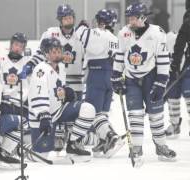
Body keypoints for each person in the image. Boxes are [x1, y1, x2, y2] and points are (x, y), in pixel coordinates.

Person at [111, 2, 176, 164]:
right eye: (129, 18)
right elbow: (120, 55)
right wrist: (116, 76)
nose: (130, 21)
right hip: (131, 78)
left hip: (151, 77)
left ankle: (161, 146)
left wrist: (161, 82)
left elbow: (163, 59)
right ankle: (137, 146)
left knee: (156, 115)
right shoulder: (124, 33)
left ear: (143, 17)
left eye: (134, 18)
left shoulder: (157, 33)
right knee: (135, 115)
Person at [28, 37, 92, 163]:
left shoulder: (61, 67)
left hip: (58, 111)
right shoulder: (40, 70)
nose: (57, 54)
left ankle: (73, 145)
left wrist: (66, 90)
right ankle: (24, 149)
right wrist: (43, 115)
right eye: (54, 51)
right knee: (41, 156)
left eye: (59, 51)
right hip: (42, 117)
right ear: (46, 53)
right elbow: (37, 94)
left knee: (87, 109)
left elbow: (57, 87)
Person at [39, 4, 87, 153]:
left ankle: (74, 140)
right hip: (57, 79)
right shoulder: (51, 33)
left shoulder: (81, 34)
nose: (68, 20)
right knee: (57, 107)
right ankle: (58, 136)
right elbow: (41, 51)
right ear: (60, 20)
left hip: (77, 79)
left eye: (70, 17)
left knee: (74, 112)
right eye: (65, 18)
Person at [79, 9, 124, 158]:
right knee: (103, 113)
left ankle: (111, 136)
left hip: (97, 73)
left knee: (92, 112)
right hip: (110, 74)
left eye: (97, 19)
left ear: (102, 22)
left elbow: (80, 35)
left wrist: (82, 25)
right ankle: (103, 140)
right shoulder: (114, 38)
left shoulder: (98, 33)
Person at [0, 32, 31, 169]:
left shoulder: (28, 62)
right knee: (7, 128)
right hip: (5, 103)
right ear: (10, 45)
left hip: (22, 105)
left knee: (23, 127)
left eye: (21, 46)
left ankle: (6, 152)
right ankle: (2, 153)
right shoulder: (0, 61)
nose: (17, 48)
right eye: (15, 44)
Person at [167, 0, 190, 137]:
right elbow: (180, 43)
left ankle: (175, 125)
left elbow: (179, 45)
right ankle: (175, 124)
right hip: (186, 63)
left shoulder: (187, 21)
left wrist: (175, 65)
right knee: (176, 91)